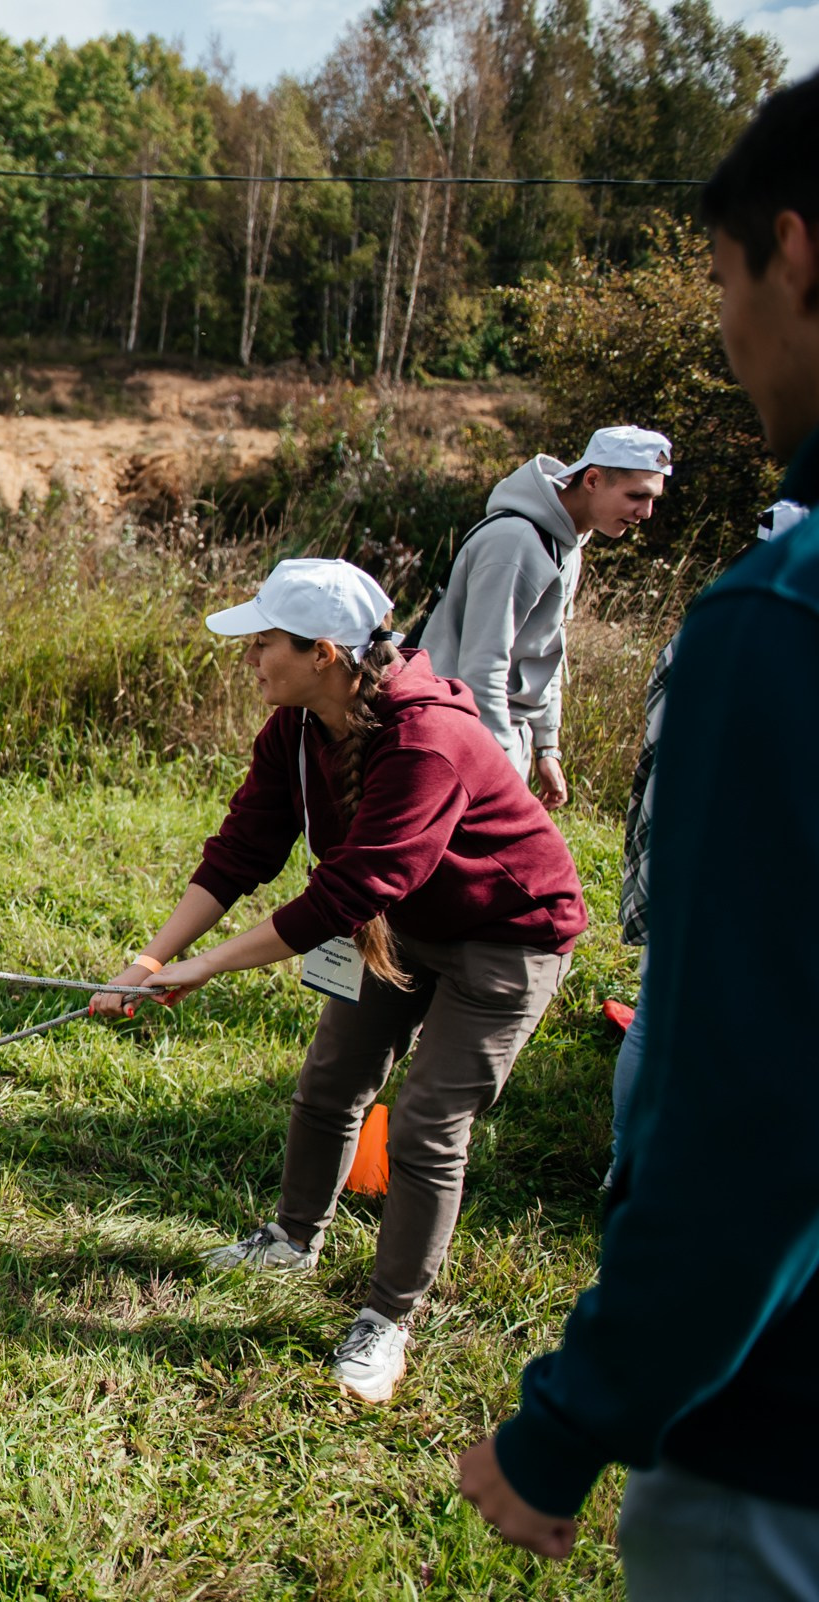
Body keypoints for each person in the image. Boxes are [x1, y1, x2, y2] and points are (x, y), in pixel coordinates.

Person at [460, 73, 819, 1594]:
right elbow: (487, 667)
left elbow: (755, 1104)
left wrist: (574, 1418)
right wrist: (512, 766)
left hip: (778, 1445)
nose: (729, 327)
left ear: (792, 253)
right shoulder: (522, 538)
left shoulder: (783, 616)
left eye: (722, 280)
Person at [89, 557, 586, 1405]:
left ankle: (388, 1318)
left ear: (322, 653)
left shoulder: (425, 740)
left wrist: (208, 966)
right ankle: (291, 1240)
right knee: (330, 1082)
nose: (250, 660)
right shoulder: (295, 727)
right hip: (401, 925)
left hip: (506, 938)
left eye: (263, 644)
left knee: (428, 1125)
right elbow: (242, 850)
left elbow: (349, 891)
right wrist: (151, 961)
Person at [607, 495, 805, 1184]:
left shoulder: (709, 619)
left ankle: (625, 1165)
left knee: (659, 1011)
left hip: (679, 840)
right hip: (741, 858)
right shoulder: (786, 636)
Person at [417, 423, 671, 808]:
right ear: (592, 480)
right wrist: (501, 771)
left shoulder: (567, 545)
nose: (646, 512)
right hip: (457, 740)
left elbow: (548, 650)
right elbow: (482, 667)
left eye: (652, 498)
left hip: (491, 738)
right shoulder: (515, 541)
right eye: (636, 495)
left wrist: (546, 747)